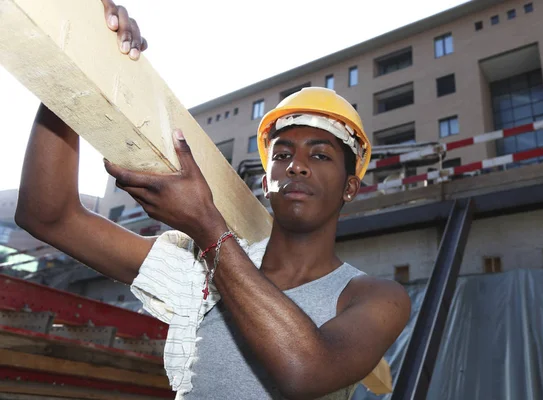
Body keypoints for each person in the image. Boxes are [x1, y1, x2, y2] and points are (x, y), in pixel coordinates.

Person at [15, 1, 411, 398]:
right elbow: (48, 216)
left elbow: (306, 371)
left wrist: (208, 227)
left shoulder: (375, 296)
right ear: (268, 179)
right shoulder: (198, 274)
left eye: (320, 155)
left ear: (349, 188)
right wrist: (77, 71)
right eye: (283, 155)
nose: (296, 166)